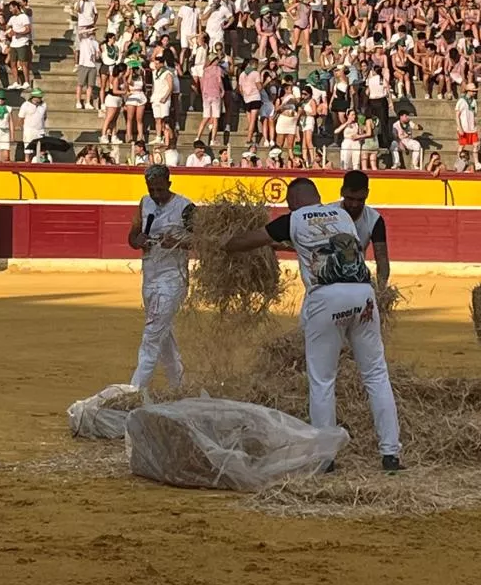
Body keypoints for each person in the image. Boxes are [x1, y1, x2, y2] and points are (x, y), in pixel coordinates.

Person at [223, 177, 402, 472]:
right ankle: (391, 453)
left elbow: (242, 242)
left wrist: (219, 241)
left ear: (292, 203)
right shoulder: (343, 216)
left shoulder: (293, 220)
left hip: (326, 298)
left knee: (322, 380)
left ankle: (325, 456)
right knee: (376, 374)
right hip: (363, 294)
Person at [127, 164, 194, 396]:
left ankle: (134, 391)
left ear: (169, 184)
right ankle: (180, 386)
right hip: (150, 276)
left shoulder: (185, 207)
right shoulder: (144, 202)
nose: (156, 194)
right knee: (163, 334)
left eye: (160, 189)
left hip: (173, 278)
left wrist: (177, 242)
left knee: (152, 334)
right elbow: (132, 237)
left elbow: (204, 240)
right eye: (152, 189)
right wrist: (139, 240)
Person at [337, 168, 390, 289]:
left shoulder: (375, 219)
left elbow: (381, 257)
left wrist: (381, 289)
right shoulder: (328, 213)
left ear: (367, 194)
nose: (354, 205)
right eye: (350, 198)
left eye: (360, 200)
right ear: (342, 192)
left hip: (356, 278)